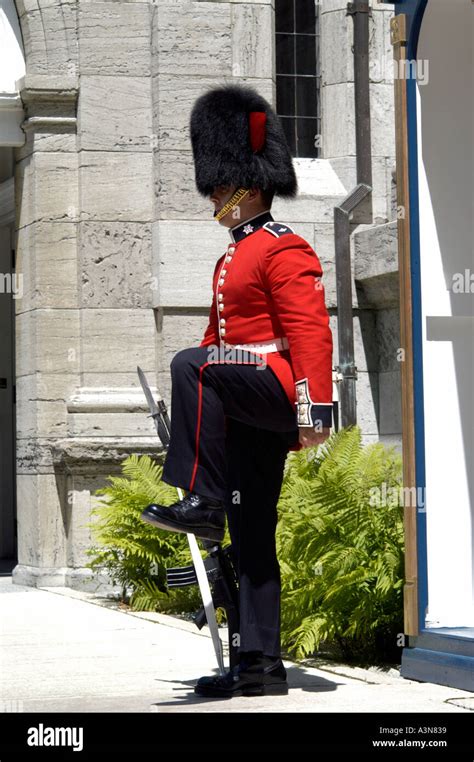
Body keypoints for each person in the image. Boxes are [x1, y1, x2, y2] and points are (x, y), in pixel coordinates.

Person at [141, 84, 333, 698]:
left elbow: (309, 332)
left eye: (222, 186)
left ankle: (203, 500)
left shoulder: (284, 247)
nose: (215, 196)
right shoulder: (231, 259)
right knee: (254, 535)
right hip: (241, 404)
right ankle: (259, 666)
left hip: (274, 390)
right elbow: (215, 335)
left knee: (190, 363)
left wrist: (314, 408)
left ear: (249, 184)